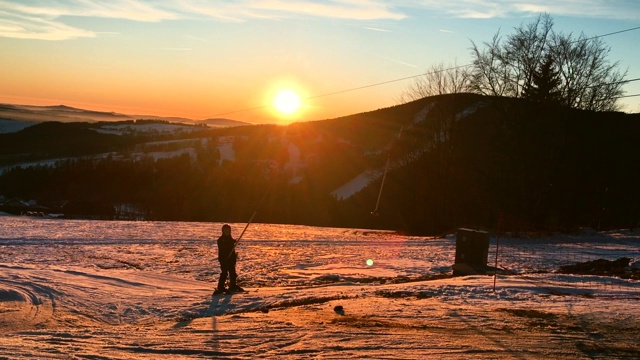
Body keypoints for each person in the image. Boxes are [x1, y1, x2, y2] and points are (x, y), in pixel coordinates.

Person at [214, 224, 244, 294]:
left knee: (232, 272)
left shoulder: (230, 239)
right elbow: (223, 249)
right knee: (224, 273)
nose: (227, 231)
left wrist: (233, 242)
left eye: (228, 230)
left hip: (231, 258)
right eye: (225, 230)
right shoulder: (221, 240)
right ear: (223, 231)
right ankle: (220, 287)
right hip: (224, 259)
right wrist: (225, 258)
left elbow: (231, 246)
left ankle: (232, 286)